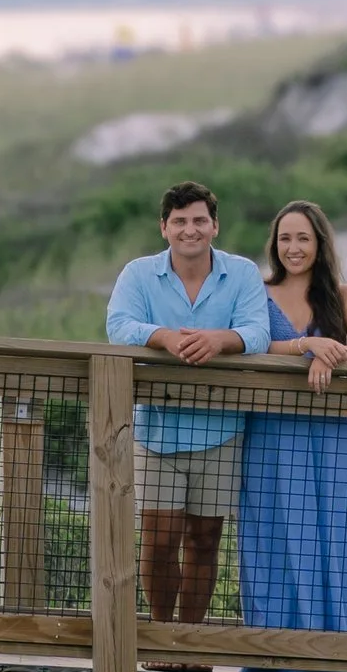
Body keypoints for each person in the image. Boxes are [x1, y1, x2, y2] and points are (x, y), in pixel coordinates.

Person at [104, 183, 270, 623]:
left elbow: (258, 332)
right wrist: (164, 337)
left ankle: (191, 641)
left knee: (204, 539)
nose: (189, 230)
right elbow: (118, 326)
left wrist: (221, 340)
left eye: (199, 220)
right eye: (179, 221)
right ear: (164, 228)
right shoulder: (138, 274)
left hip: (222, 430)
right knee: (159, 540)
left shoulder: (243, 274)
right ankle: (161, 634)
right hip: (157, 431)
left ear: (215, 226)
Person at [239, 200, 347, 656]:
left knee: (341, 533)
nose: (293, 247)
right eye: (285, 238)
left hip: (333, 434)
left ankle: (345, 653)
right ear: (274, 244)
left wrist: (330, 352)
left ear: (320, 243)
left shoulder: (343, 295)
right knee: (275, 532)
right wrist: (307, 345)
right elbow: (253, 346)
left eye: (303, 238)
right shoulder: (257, 292)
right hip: (273, 433)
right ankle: (278, 653)